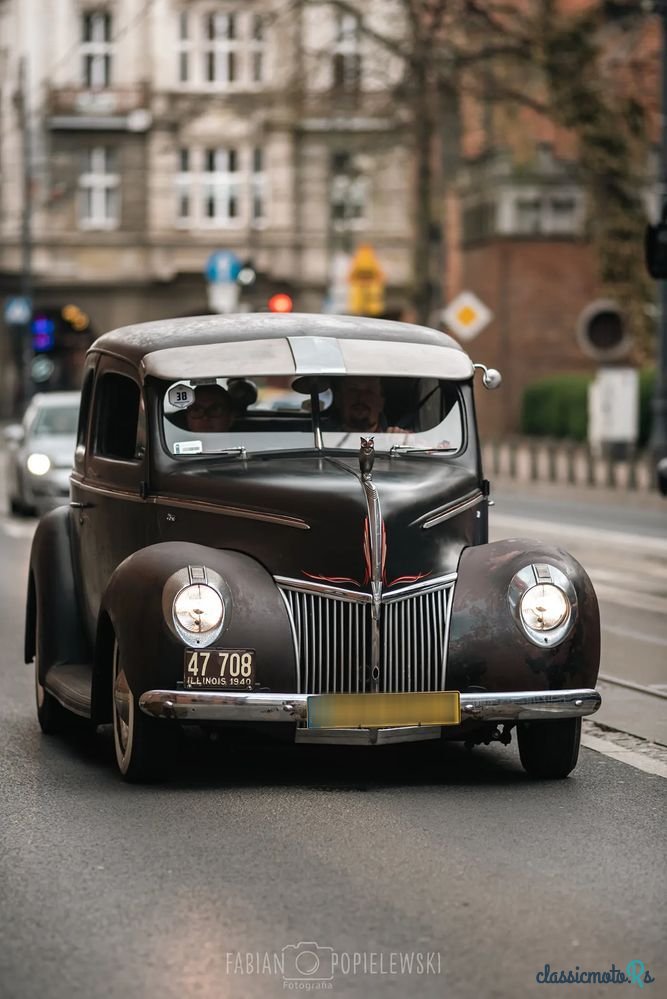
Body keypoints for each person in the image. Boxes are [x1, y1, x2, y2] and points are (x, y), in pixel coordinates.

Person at [334, 376, 408, 433]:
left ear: (381, 403)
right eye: (353, 390)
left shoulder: (395, 440)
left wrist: (405, 442)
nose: (361, 397)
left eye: (369, 391)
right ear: (338, 399)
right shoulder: (323, 438)